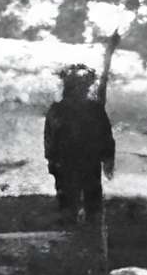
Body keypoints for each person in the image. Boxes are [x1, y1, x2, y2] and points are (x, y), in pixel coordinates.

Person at [44, 64, 117, 230]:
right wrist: (51, 160)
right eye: (79, 86)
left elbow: (105, 135)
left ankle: (89, 229)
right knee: (69, 199)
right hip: (67, 162)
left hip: (87, 161)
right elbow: (50, 137)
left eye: (84, 86)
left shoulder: (93, 109)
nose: (82, 90)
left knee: (90, 198)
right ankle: (72, 227)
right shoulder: (58, 110)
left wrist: (107, 158)